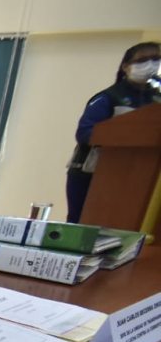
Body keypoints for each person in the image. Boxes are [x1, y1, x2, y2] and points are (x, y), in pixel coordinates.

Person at [66, 41, 160, 223]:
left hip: (136, 174)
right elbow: (84, 133)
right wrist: (128, 137)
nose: (150, 64)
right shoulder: (109, 97)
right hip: (92, 172)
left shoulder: (156, 100)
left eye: (155, 59)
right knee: (82, 222)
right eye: (142, 60)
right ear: (126, 66)